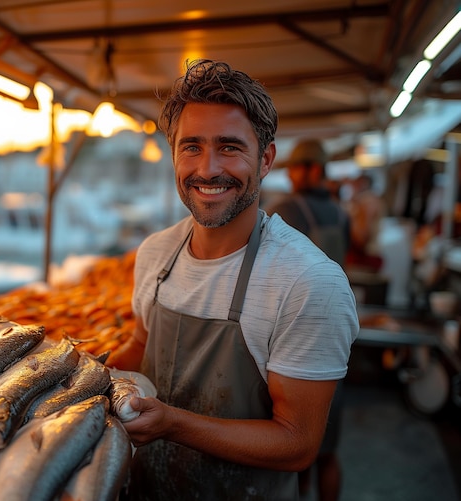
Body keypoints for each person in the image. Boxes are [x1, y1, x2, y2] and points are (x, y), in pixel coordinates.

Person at [106, 59, 359, 501]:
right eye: (191, 147)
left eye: (228, 147)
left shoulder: (308, 283)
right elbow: (140, 349)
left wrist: (173, 423)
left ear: (265, 159)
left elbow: (297, 444)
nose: (207, 169)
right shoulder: (154, 254)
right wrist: (80, 370)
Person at [265, 139, 352, 501]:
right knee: (328, 451)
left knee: (296, 448)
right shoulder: (340, 212)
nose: (291, 175)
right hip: (333, 333)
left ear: (315, 170)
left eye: (298, 168)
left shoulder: (287, 209)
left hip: (295, 333)